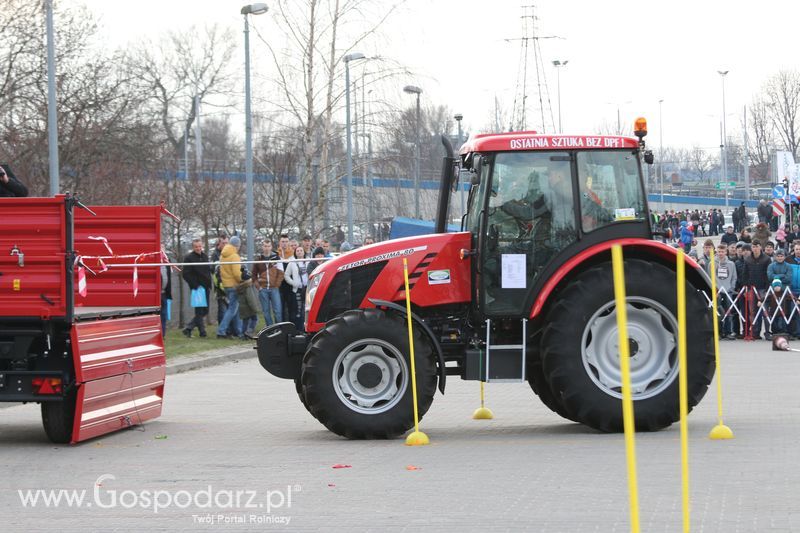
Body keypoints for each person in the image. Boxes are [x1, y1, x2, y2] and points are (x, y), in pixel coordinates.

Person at [182, 238, 212, 338]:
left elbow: (208, 271)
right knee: (199, 311)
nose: (198, 248)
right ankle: (202, 332)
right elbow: (186, 274)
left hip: (206, 287)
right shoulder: (189, 258)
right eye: (196, 247)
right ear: (193, 247)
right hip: (197, 288)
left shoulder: (205, 256)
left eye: (199, 246)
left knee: (205, 310)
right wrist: (195, 285)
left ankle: (189, 328)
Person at [743, 240, 770, 339]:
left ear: (760, 247)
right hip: (751, 288)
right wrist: (746, 288)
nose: (755, 248)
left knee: (765, 311)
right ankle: (755, 332)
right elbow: (745, 275)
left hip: (763, 288)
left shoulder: (766, 259)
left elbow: (768, 275)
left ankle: (767, 332)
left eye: (757, 246)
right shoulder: (747, 259)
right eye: (753, 247)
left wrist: (767, 289)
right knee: (752, 311)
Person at [216, 235, 243, 339]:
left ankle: (238, 331)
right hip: (234, 285)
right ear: (237, 245)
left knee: (234, 309)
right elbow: (237, 274)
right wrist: (243, 279)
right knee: (232, 309)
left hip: (226, 285)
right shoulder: (235, 256)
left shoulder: (223, 255)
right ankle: (221, 331)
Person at [253, 240, 284, 327]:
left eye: (268, 246)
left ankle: (279, 330)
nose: (267, 248)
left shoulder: (277, 258)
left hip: (274, 289)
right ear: (262, 247)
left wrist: (276, 285)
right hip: (263, 289)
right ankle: (270, 330)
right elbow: (253, 275)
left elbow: (281, 273)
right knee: (266, 312)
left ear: (271, 247)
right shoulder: (258, 259)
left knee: (277, 311)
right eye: (265, 246)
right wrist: (259, 287)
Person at [284, 246, 309, 331]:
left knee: (306, 309)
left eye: (301, 250)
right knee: (298, 310)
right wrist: (294, 283)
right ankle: (298, 329)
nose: (299, 252)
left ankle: (306, 329)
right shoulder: (292, 263)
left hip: (307, 289)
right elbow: (286, 275)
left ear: (304, 252)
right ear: (295, 252)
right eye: (297, 251)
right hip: (297, 290)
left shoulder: (308, 261)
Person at [211, 233, 229, 325]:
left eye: (227, 243)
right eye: (223, 243)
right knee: (222, 310)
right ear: (219, 243)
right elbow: (214, 273)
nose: (225, 245)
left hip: (229, 285)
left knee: (229, 309)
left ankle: (228, 330)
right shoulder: (215, 255)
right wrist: (220, 286)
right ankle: (221, 331)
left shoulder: (228, 253)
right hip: (219, 288)